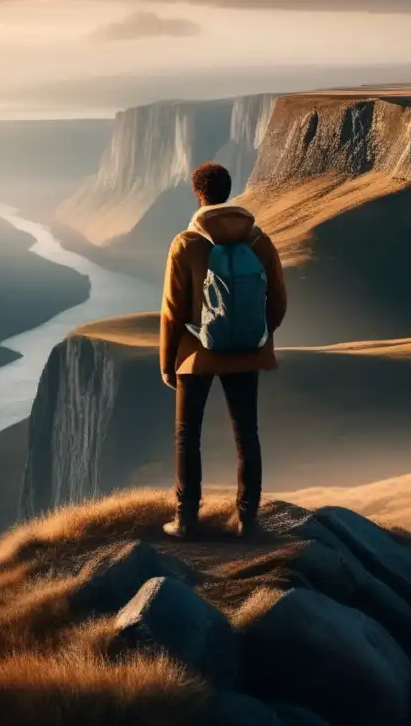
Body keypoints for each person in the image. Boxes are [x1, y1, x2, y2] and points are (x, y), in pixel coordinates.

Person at [159, 162, 287, 539]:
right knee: (247, 434)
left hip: (195, 355)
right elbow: (278, 300)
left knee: (188, 436)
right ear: (230, 192)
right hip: (247, 353)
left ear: (198, 193)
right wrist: (256, 335)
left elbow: (172, 311)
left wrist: (168, 363)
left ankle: (185, 521)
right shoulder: (259, 240)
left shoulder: (186, 243)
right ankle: (248, 521)